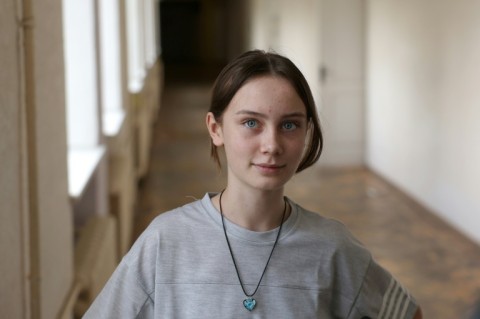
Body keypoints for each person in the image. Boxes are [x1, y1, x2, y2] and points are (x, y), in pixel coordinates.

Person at [83, 50, 422, 318]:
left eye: (290, 125)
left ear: (307, 131)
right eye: (251, 123)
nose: (272, 145)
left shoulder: (332, 248)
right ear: (216, 129)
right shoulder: (165, 242)